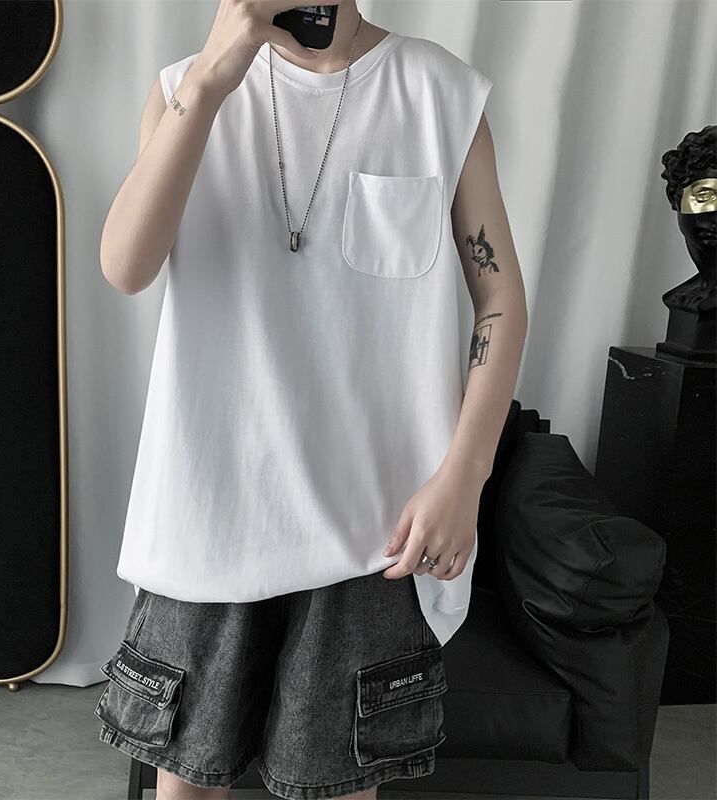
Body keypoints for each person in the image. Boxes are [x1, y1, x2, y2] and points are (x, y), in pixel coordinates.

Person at [95, 1, 527, 798]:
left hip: (373, 534)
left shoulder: (439, 91)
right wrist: (212, 79)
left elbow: (499, 298)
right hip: (206, 516)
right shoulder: (186, 87)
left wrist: (466, 475)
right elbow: (126, 266)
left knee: (337, 787)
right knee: (187, 786)